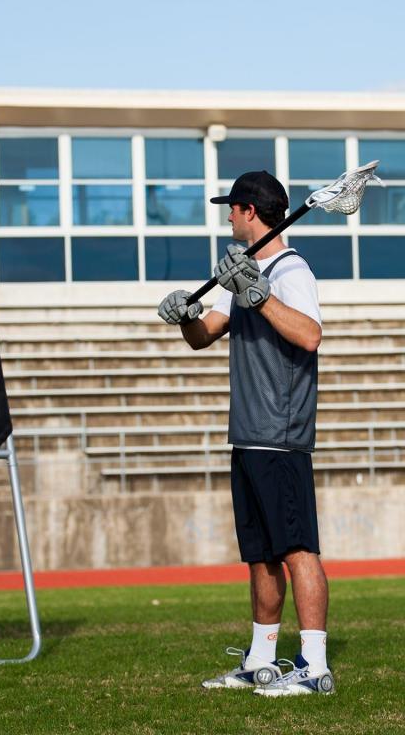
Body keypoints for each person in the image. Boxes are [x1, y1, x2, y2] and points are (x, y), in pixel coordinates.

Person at [157, 170, 335, 697]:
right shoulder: (246, 272)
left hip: (281, 433)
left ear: (251, 211)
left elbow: (309, 335)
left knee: (298, 548)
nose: (228, 216)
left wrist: (257, 293)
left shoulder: (290, 270)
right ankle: (262, 660)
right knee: (260, 555)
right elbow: (202, 336)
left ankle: (314, 665)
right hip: (249, 433)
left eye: (232, 208)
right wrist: (186, 314)